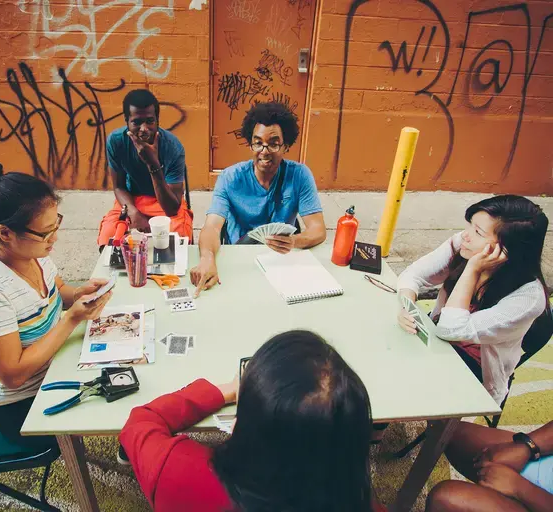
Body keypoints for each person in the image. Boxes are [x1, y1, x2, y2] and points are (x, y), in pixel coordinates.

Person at [119, 330, 383, 512]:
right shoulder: (358, 501)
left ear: (243, 425)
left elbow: (142, 421)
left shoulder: (176, 469)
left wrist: (222, 391)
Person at [0, 161, 112, 450]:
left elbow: (57, 291)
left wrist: (78, 294)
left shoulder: (34, 253)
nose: (54, 237)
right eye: (45, 232)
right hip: (22, 405)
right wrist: (72, 320)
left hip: (56, 365)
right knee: (125, 398)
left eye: (56, 225)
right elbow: (13, 376)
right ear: (4, 233)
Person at [397, 195, 549, 405]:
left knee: (400, 376)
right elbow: (413, 275)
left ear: (506, 250)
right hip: (436, 338)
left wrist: (473, 268)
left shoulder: (528, 298)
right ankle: (376, 432)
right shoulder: (464, 244)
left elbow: (451, 329)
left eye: (478, 232)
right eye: (470, 225)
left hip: (476, 367)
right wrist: (408, 307)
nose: (465, 236)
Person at [190, 101, 326, 295]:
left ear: (286, 146)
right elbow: (212, 226)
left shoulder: (299, 175)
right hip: (239, 255)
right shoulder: (230, 178)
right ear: (250, 143)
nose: (264, 151)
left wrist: (295, 241)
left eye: (273, 144)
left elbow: (318, 229)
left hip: (281, 258)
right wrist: (207, 258)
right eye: (258, 142)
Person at [97, 89, 193, 247]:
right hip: (132, 200)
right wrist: (133, 212)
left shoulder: (173, 147)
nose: (144, 129)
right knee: (109, 236)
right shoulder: (116, 141)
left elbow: (172, 209)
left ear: (157, 120)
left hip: (164, 200)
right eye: (136, 122)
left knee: (178, 237)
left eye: (150, 121)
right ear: (127, 121)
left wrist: (152, 163)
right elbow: (119, 187)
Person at [426, 420, 553, 511]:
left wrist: (519, 487)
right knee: (448, 430)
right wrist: (526, 447)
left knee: (444, 500)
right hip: (545, 463)